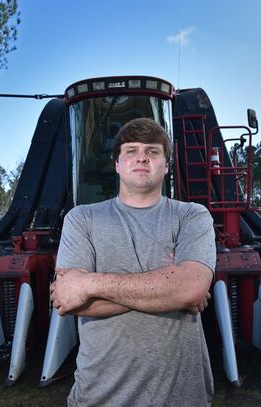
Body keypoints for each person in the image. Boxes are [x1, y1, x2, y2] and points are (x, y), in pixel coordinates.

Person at [51, 117, 216, 406]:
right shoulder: (82, 218)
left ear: (166, 165)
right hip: (100, 395)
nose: (142, 156)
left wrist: (90, 283)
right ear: (116, 164)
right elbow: (69, 299)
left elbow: (191, 288)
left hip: (181, 395)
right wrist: (174, 292)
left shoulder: (192, 215)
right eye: (131, 150)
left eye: (153, 151)